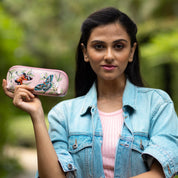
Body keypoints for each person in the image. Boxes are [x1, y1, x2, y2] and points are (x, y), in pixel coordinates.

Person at [2, 7, 178, 178]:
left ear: (131, 52)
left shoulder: (157, 105)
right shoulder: (63, 115)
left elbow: (159, 173)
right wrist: (37, 115)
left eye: (118, 46)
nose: (109, 55)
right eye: (99, 46)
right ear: (85, 52)